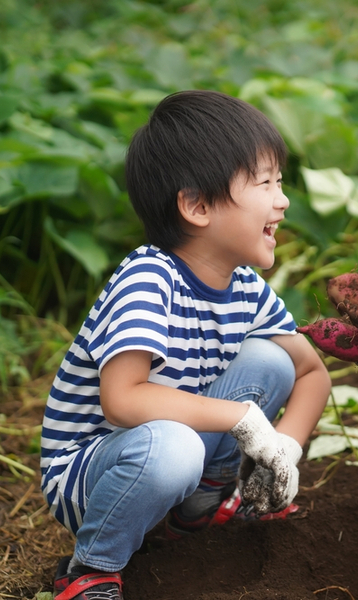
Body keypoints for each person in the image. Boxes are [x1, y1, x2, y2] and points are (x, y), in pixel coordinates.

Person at [40, 90, 331, 600]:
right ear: (197, 206)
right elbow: (124, 400)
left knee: (271, 359)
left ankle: (198, 504)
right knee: (171, 447)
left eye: (279, 182)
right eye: (265, 183)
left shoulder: (245, 287)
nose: (282, 200)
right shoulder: (148, 279)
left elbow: (312, 373)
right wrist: (242, 420)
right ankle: (91, 567)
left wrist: (286, 444)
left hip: (178, 454)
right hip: (96, 470)